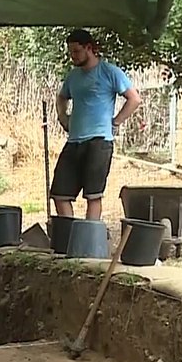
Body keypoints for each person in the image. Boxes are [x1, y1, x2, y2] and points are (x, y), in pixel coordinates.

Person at [51, 28, 142, 220]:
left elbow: (134, 99)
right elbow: (61, 97)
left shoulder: (110, 72)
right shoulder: (73, 76)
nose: (72, 57)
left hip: (99, 143)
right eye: (70, 52)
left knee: (93, 196)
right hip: (74, 142)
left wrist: (116, 122)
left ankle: (87, 243)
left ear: (89, 48)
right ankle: (69, 239)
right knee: (59, 195)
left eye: (76, 51)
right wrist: (62, 116)